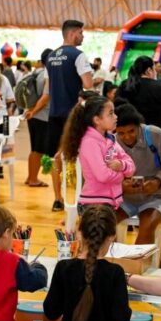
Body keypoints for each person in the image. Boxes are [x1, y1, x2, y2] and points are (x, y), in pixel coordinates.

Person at [114, 103, 161, 244]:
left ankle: (136, 265)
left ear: (139, 126)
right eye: (121, 133)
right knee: (104, 223)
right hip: (124, 199)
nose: (126, 137)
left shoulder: (156, 135)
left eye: (131, 131)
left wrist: (158, 181)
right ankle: (110, 261)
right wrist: (120, 186)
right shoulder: (112, 142)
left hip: (157, 197)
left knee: (147, 225)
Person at [45, 19, 94, 212]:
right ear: (73, 33)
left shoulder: (50, 57)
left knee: (56, 158)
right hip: (73, 116)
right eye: (81, 33)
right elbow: (88, 85)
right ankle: (82, 198)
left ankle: (58, 199)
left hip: (54, 114)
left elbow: (47, 90)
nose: (83, 36)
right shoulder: (78, 55)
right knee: (82, 156)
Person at [60, 95, 135, 210]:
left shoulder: (111, 139)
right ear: (97, 120)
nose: (115, 117)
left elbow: (131, 166)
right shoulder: (89, 142)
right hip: (94, 204)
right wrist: (123, 176)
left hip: (111, 201)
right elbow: (103, 176)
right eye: (110, 114)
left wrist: (121, 165)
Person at [116, 56, 161, 138]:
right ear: (149, 70)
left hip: (130, 136)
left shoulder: (125, 85)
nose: (156, 72)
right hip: (157, 135)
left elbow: (117, 109)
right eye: (154, 69)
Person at [23, 48, 54, 187]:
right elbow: (45, 98)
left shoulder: (37, 73)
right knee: (39, 149)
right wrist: (34, 111)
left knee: (35, 148)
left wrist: (31, 111)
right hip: (41, 115)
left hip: (33, 115)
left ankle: (31, 177)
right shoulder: (49, 75)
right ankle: (33, 179)